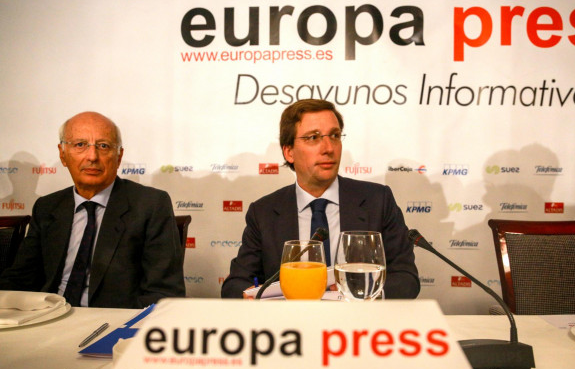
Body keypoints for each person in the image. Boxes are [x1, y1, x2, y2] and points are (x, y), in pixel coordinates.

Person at [222, 99, 419, 299]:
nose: (328, 148)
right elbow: (235, 283)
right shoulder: (264, 211)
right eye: (313, 138)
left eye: (334, 136)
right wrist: (250, 297)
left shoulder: (378, 201)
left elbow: (406, 278)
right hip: (290, 323)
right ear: (289, 152)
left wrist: (365, 294)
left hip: (358, 322)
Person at [0, 111, 185, 308]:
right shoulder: (47, 207)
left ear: (119, 156)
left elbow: (163, 293)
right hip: (49, 319)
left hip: (112, 326)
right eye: (80, 145)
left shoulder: (150, 205)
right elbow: (20, 279)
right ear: (62, 154)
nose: (92, 156)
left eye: (103, 146)